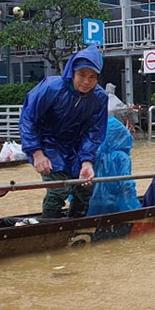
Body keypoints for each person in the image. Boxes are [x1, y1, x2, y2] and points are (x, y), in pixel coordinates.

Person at [19, 44, 108, 219]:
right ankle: (49, 227)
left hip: (76, 146)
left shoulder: (99, 97)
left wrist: (87, 161)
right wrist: (36, 152)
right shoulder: (51, 88)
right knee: (57, 190)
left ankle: (77, 225)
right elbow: (28, 118)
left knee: (85, 188)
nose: (86, 82)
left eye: (92, 77)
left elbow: (94, 132)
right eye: (82, 75)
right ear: (72, 72)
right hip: (47, 143)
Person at [86, 116, 142, 216]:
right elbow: (126, 184)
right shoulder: (122, 157)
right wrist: (134, 207)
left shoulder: (93, 155)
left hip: (94, 204)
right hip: (115, 204)